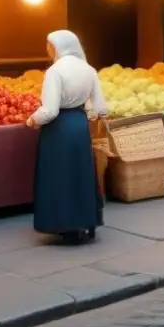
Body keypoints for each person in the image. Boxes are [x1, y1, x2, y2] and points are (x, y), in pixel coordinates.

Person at [26, 30, 108, 245]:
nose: (47, 49)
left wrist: (32, 120)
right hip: (80, 126)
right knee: (81, 173)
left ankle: (64, 225)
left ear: (57, 46)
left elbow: (50, 110)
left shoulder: (55, 71)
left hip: (59, 129)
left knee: (60, 175)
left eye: (49, 45)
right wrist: (86, 117)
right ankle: (85, 222)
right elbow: (99, 107)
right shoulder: (89, 69)